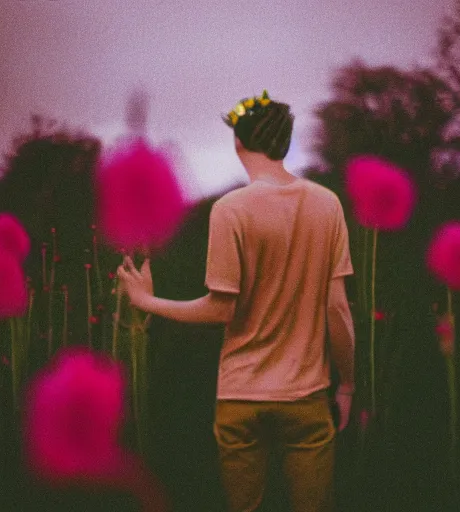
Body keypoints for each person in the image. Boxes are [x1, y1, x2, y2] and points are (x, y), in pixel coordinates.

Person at [117, 90, 355, 512]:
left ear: (240, 143)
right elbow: (337, 308)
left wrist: (148, 302)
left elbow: (220, 308)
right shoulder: (328, 205)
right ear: (284, 141)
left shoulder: (230, 210)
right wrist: (349, 384)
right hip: (307, 398)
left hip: (241, 399)